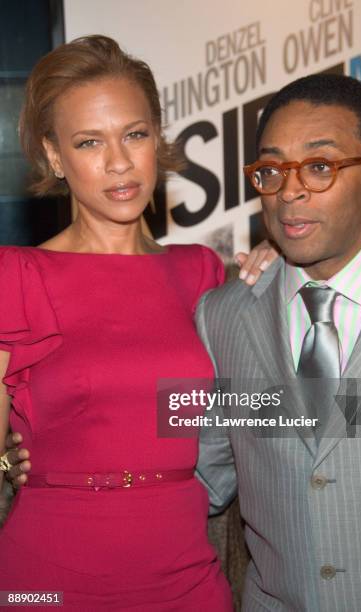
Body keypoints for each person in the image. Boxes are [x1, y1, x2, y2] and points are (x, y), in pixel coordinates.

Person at [0, 35, 275, 611]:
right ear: (54, 156)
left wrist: (286, 284)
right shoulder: (15, 274)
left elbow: (264, 413)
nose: (119, 162)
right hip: (45, 581)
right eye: (88, 142)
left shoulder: (200, 271)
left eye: (134, 134)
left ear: (158, 137)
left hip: (186, 576)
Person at [195, 74, 361, 611]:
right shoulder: (222, 316)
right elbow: (201, 484)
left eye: (320, 166)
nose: (289, 191)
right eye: (272, 170)